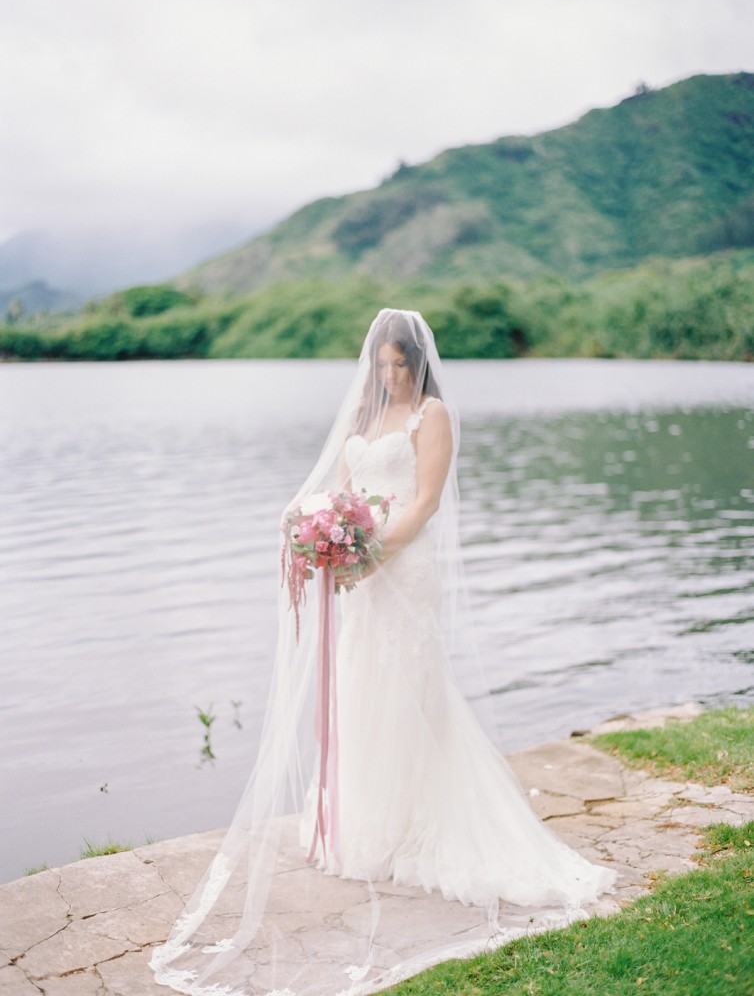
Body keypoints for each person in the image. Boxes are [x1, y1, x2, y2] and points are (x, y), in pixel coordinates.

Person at [150, 309, 616, 996]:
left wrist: (371, 553)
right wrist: (323, 535)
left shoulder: (434, 417)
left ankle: (418, 823)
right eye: (383, 365)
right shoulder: (363, 419)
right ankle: (366, 820)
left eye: (402, 364)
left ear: (419, 363)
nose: (392, 375)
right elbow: (345, 493)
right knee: (360, 686)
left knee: (409, 688)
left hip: (404, 569)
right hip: (361, 574)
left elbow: (424, 502)